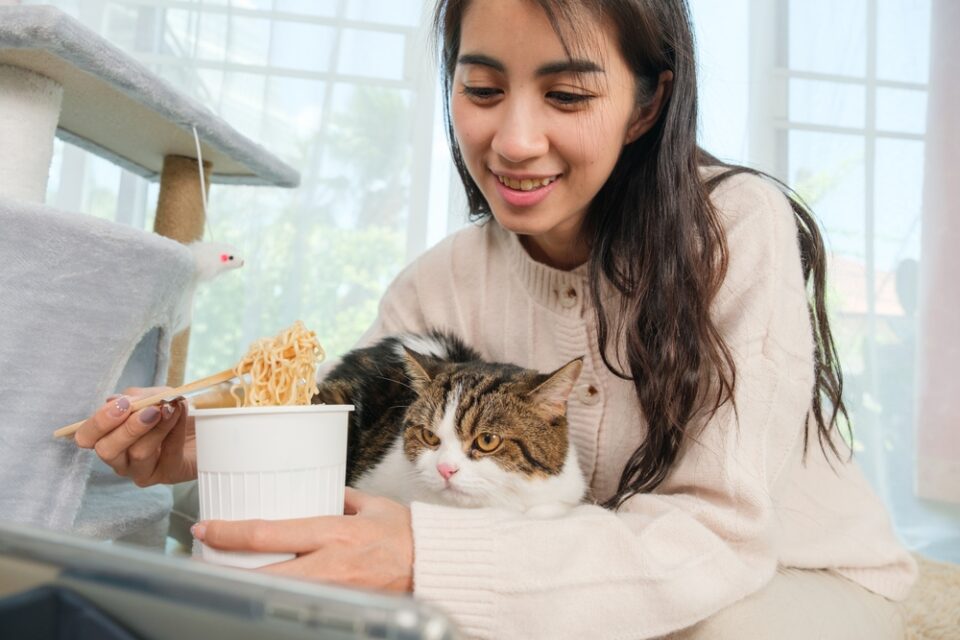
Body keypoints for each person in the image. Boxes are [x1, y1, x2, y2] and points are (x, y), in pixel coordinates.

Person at [74, 0, 918, 637]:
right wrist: (210, 446)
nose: (514, 141)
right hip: (578, 567)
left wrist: (425, 553)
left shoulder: (735, 230)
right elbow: (336, 455)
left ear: (646, 104)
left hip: (789, 571)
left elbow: (719, 537)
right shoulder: (438, 282)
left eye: (567, 95)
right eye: (481, 88)